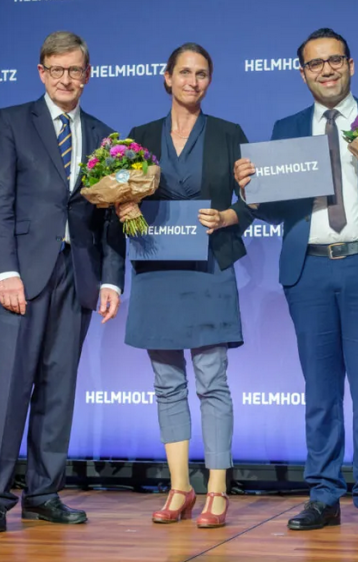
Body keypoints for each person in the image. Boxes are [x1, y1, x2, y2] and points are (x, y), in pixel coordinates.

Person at [234, 28, 358, 535]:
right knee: (319, 392)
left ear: (351, 65)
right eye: (314, 63)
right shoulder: (289, 127)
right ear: (302, 73)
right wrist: (252, 190)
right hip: (310, 270)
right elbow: (276, 210)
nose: (326, 70)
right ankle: (323, 494)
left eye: (335, 60)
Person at [0, 31, 125, 533]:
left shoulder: (105, 135)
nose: (65, 79)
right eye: (56, 70)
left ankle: (43, 492)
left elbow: (112, 218)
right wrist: (5, 271)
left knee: (59, 390)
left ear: (88, 74)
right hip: (18, 277)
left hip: (75, 274)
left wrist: (110, 280)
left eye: (74, 70)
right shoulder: (12, 121)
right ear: (41, 72)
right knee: (7, 389)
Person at [120, 43, 253, 528]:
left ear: (208, 82)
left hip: (209, 269)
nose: (192, 81)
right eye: (184, 72)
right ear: (166, 77)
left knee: (212, 381)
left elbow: (255, 201)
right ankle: (180, 488)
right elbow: (120, 196)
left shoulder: (228, 134)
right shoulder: (137, 138)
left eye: (201, 74)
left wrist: (228, 215)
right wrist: (125, 207)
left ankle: (217, 489)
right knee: (166, 383)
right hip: (157, 269)